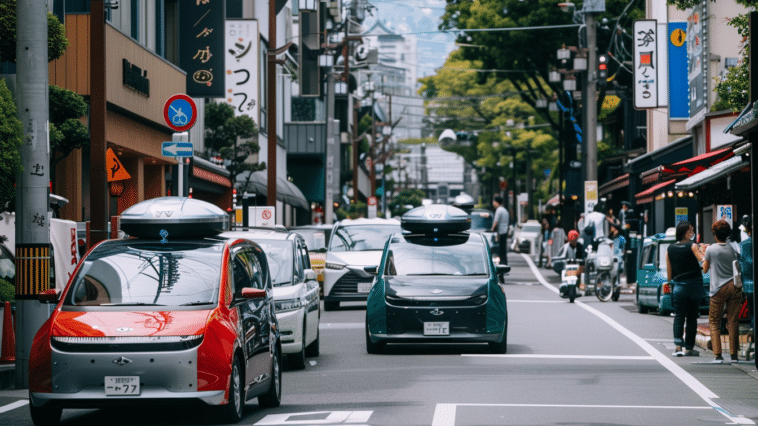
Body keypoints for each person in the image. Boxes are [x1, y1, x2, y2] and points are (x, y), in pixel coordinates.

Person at [703, 220, 742, 363]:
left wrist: (703, 258)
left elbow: (705, 269)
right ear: (728, 234)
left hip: (717, 289)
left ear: (714, 234)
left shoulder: (710, 249)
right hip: (734, 286)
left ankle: (718, 355)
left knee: (714, 322)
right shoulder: (733, 248)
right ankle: (734, 355)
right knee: (733, 321)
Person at [666, 221, 705, 357]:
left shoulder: (670, 249)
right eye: (691, 231)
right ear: (684, 232)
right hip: (694, 285)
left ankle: (678, 346)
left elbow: (669, 274)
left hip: (679, 286)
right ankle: (689, 347)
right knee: (692, 318)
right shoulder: (693, 246)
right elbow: (703, 260)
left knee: (679, 317)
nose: (692, 233)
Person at [491, 196, 509, 268]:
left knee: (501, 250)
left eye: (494, 202)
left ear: (496, 202)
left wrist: (492, 230)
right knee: (503, 250)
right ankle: (504, 263)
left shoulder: (499, 210)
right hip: (505, 231)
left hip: (501, 232)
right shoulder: (504, 210)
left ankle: (502, 264)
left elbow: (496, 222)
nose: (493, 203)